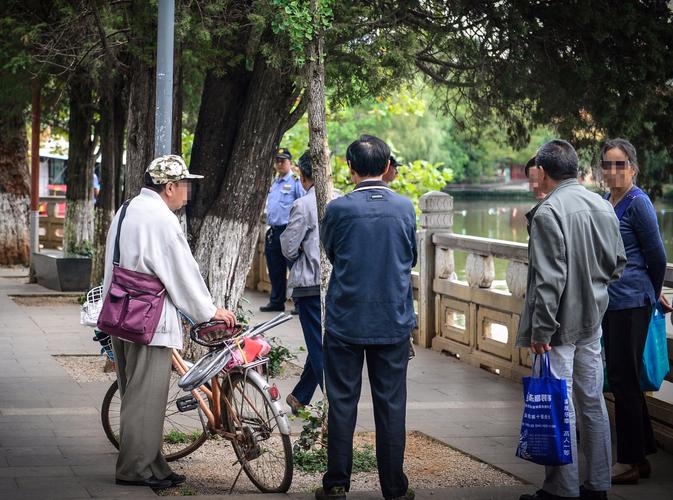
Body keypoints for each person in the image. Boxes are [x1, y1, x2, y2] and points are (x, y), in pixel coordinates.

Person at [102, 155, 236, 490]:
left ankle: (153, 464)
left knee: (137, 392)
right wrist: (208, 311)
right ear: (170, 187)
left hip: (121, 312)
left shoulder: (128, 208)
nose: (188, 193)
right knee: (146, 397)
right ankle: (135, 469)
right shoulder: (162, 220)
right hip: (148, 320)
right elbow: (182, 273)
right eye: (186, 186)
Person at [516, 140, 626, 500]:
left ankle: (562, 489)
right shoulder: (602, 204)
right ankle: (598, 484)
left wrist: (541, 330)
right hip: (592, 321)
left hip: (559, 328)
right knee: (592, 401)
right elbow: (618, 263)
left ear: (543, 172)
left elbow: (550, 280)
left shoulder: (549, 213)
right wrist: (594, 289)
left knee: (559, 404)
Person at [316, 135, 417, 500]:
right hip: (392, 320)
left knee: (342, 402)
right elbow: (411, 256)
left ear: (349, 167)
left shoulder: (339, 209)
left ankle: (337, 484)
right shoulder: (404, 208)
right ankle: (394, 488)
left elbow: (331, 252)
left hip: (346, 319)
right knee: (391, 405)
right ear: (388, 167)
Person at [598, 138, 670, 484]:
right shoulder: (604, 201)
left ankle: (628, 461)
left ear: (633, 168)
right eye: (608, 164)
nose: (613, 171)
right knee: (623, 377)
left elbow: (657, 257)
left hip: (632, 302)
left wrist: (652, 295)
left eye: (620, 164)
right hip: (611, 302)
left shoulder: (638, 203)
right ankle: (641, 456)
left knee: (625, 379)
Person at [280, 151, 323, 414]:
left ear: (303, 175)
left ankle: (335, 401)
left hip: (309, 285)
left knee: (318, 345)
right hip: (336, 286)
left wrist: (300, 256)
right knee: (323, 342)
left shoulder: (304, 204)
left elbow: (288, 246)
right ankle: (301, 396)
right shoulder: (341, 199)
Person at [260, 148, 305, 312]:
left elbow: (303, 204)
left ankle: (299, 303)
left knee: (293, 268)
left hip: (289, 230)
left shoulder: (295, 182)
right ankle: (277, 301)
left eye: (283, 161)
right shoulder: (274, 182)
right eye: (277, 160)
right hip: (274, 230)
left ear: (290, 163)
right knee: (274, 268)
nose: (279, 163)